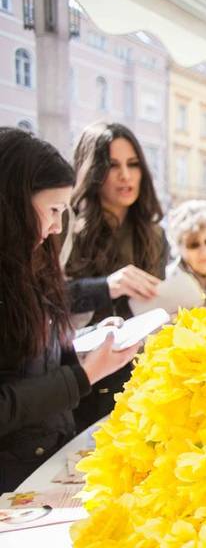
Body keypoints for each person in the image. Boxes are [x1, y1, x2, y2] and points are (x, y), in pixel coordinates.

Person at [0, 128, 138, 492]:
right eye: (52, 210)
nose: (56, 225)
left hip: (46, 454)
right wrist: (85, 375)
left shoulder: (29, 262)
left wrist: (87, 342)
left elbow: (33, 353)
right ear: (12, 203)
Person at [63, 122, 168, 431]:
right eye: (113, 165)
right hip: (80, 381)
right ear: (93, 170)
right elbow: (44, 299)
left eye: (133, 164)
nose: (126, 175)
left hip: (139, 380)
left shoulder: (155, 234)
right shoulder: (64, 225)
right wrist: (105, 287)